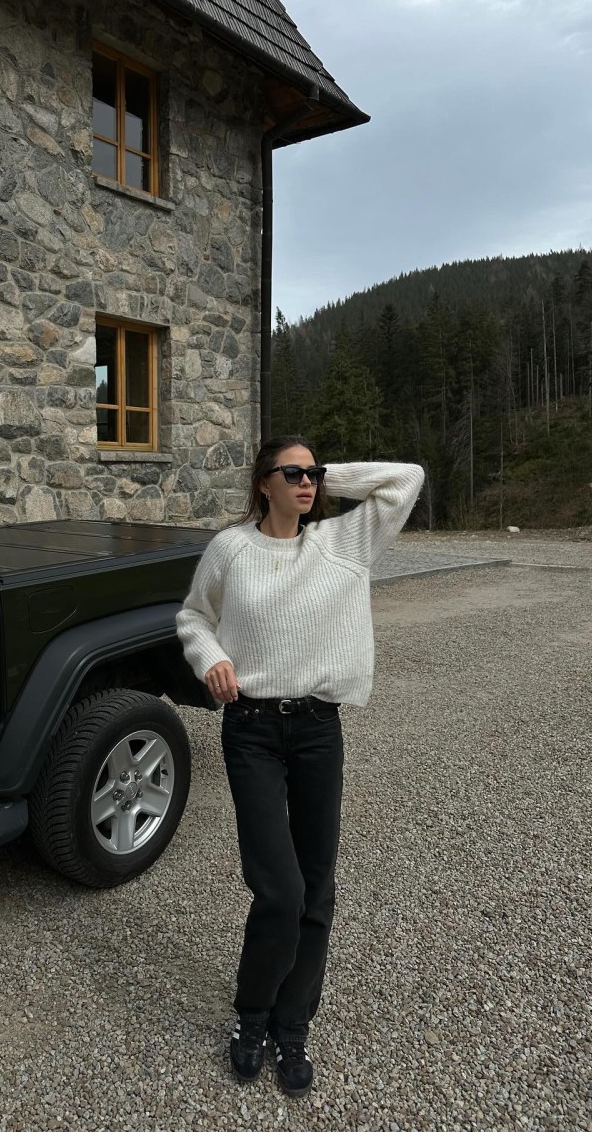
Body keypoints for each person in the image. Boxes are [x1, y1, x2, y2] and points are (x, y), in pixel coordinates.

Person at [176, 436, 424, 1098]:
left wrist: (329, 474)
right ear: (264, 483)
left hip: (318, 730)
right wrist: (210, 659)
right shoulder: (230, 549)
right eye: (294, 473)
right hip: (251, 731)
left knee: (316, 887)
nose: (308, 483)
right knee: (279, 890)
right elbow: (194, 617)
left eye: (314, 474)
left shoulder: (344, 542)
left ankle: (292, 1024)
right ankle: (252, 1014)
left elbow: (407, 477)